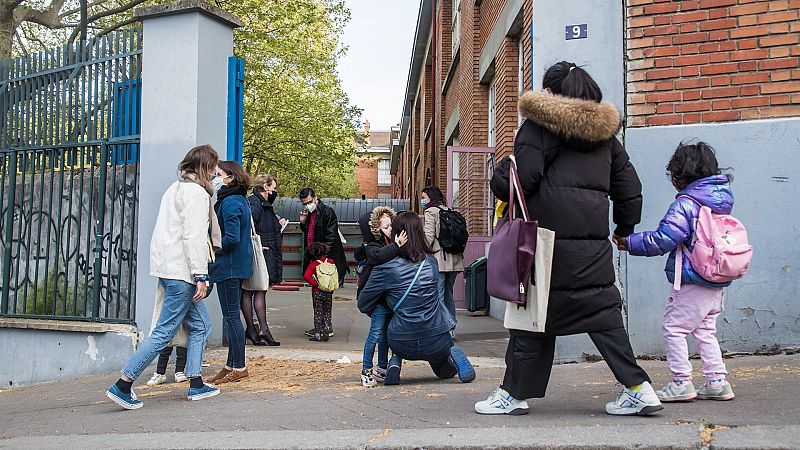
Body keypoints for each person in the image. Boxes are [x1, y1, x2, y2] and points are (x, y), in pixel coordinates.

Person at [475, 61, 662, 416]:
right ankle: (639, 389)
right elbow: (630, 190)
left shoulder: (536, 128)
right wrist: (623, 230)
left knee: (532, 319)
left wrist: (502, 172)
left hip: (543, 246)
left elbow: (522, 181)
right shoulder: (607, 138)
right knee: (604, 317)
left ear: (551, 92)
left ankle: (512, 395)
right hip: (591, 250)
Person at [616, 142, 736, 402]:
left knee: (674, 327)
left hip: (693, 278)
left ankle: (681, 382)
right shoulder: (721, 199)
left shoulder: (687, 203)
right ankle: (717, 381)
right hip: (717, 280)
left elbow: (665, 238)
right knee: (705, 329)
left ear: (681, 175)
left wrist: (630, 242)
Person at [105, 145, 220, 409]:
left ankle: (196, 382)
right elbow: (193, 237)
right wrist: (201, 275)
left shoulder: (174, 189)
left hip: (170, 270)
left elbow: (163, 234)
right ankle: (123, 384)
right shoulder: (197, 195)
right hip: (184, 273)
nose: (215, 172)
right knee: (164, 332)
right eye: (213, 167)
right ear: (205, 167)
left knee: (201, 326)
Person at [358, 212, 476, 386]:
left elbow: (363, 303)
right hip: (437, 336)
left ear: (398, 235)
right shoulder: (432, 263)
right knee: (443, 371)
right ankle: (451, 355)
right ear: (420, 233)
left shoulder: (385, 268)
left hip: (401, 339)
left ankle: (395, 362)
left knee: (395, 335)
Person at [206, 161, 254, 384]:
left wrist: (211, 249)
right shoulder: (238, 200)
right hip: (234, 266)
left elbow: (231, 237)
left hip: (228, 267)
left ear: (230, 178)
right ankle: (231, 364)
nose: (215, 177)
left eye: (219, 174)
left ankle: (239, 366)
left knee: (232, 317)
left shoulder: (230, 202)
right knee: (232, 316)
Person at [355, 206, 408, 387]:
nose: (391, 230)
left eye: (391, 225)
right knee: (375, 334)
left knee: (386, 334)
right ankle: (366, 370)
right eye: (386, 227)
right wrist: (397, 245)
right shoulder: (373, 246)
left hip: (389, 298)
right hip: (378, 300)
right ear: (376, 230)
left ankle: (383, 367)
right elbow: (379, 256)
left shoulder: (390, 244)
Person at [241, 173, 285, 346]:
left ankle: (256, 329)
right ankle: (260, 329)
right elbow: (249, 226)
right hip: (261, 253)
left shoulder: (261, 204)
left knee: (255, 290)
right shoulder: (256, 203)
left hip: (263, 251)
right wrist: (256, 247)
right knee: (255, 290)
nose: (275, 191)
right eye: (273, 188)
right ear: (265, 187)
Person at [299, 187, 349, 337]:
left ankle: (324, 327)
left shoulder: (327, 212)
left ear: (315, 197)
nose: (307, 205)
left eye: (309, 202)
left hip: (322, 259)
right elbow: (309, 233)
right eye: (304, 203)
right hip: (316, 257)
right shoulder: (309, 214)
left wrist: (321, 256)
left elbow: (331, 237)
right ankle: (322, 326)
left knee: (323, 296)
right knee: (320, 296)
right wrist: (303, 222)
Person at [421, 186, 464, 333]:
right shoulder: (449, 211)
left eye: (424, 198)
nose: (422, 201)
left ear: (431, 198)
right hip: (454, 260)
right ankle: (451, 328)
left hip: (439, 261)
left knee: (437, 295)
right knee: (448, 294)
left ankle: (443, 326)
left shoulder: (430, 212)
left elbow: (428, 238)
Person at [303, 242, 336, 342]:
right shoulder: (330, 261)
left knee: (318, 312)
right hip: (328, 291)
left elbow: (306, 276)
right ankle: (327, 328)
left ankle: (318, 332)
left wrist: (315, 284)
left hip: (317, 291)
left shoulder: (314, 264)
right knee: (327, 311)